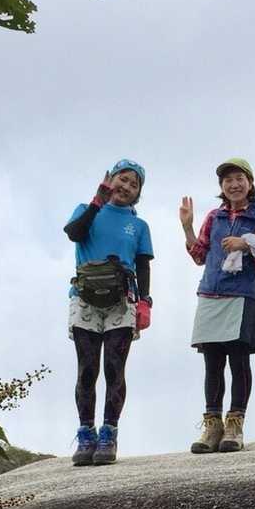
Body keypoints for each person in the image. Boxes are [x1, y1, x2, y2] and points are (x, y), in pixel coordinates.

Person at [180, 158, 255, 453]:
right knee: (212, 362)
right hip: (210, 292)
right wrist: (187, 228)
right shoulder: (214, 216)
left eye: (239, 179)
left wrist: (246, 244)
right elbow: (200, 256)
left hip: (242, 294)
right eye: (228, 180)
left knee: (238, 360)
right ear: (221, 186)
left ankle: (235, 425)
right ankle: (212, 426)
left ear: (250, 182)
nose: (234, 185)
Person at [63, 158, 153, 465]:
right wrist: (96, 202)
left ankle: (109, 434)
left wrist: (145, 302)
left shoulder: (139, 226)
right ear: (110, 179)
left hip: (122, 301)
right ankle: (86, 433)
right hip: (84, 299)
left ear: (138, 193)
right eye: (122, 179)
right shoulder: (86, 209)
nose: (126, 186)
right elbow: (74, 233)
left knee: (115, 368)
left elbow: (142, 265)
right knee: (87, 369)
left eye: (134, 184)